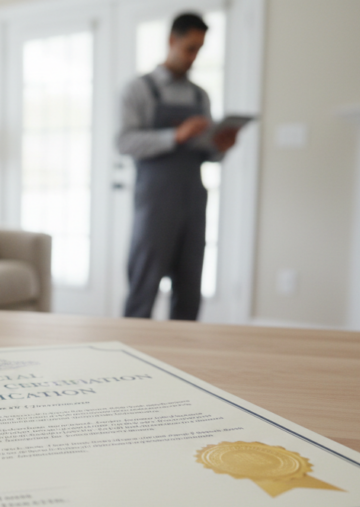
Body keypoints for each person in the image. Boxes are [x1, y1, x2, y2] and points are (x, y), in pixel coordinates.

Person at [117, 12, 238, 320]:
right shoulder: (139, 90)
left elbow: (207, 156)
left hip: (194, 201)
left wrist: (220, 148)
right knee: (143, 289)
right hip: (156, 202)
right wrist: (175, 135)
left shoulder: (200, 96)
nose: (194, 56)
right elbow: (124, 142)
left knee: (189, 289)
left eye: (199, 49)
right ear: (172, 40)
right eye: (190, 48)